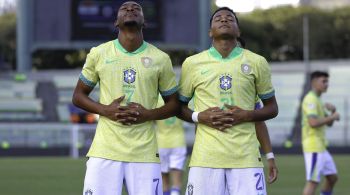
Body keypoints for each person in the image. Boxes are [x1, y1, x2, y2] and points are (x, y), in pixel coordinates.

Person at [72, 2, 179, 195]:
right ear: (116, 22)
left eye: (136, 8)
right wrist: (105, 110)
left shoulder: (160, 58)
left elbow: (174, 105)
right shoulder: (99, 53)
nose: (130, 9)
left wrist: (148, 114)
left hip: (144, 154)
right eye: (125, 9)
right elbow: (78, 96)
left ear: (143, 22)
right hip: (104, 151)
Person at [178, 7, 278, 195]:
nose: (224, 20)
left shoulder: (257, 62)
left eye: (230, 18)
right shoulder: (192, 63)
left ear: (238, 31)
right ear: (210, 32)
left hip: (246, 159)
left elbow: (271, 108)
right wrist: (200, 117)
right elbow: (178, 107)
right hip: (205, 159)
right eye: (218, 18)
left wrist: (247, 115)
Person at [301, 71, 340, 195]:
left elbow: (328, 123)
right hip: (313, 146)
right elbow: (313, 123)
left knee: (332, 178)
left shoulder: (318, 100)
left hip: (321, 147)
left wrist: (333, 111)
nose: (326, 84)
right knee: (313, 182)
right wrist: (333, 117)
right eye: (323, 81)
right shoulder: (310, 99)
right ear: (314, 82)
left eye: (327, 81)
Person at [155, 95, 187, 195]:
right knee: (176, 182)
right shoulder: (179, 100)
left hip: (161, 143)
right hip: (178, 142)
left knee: (164, 181)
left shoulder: (157, 100)